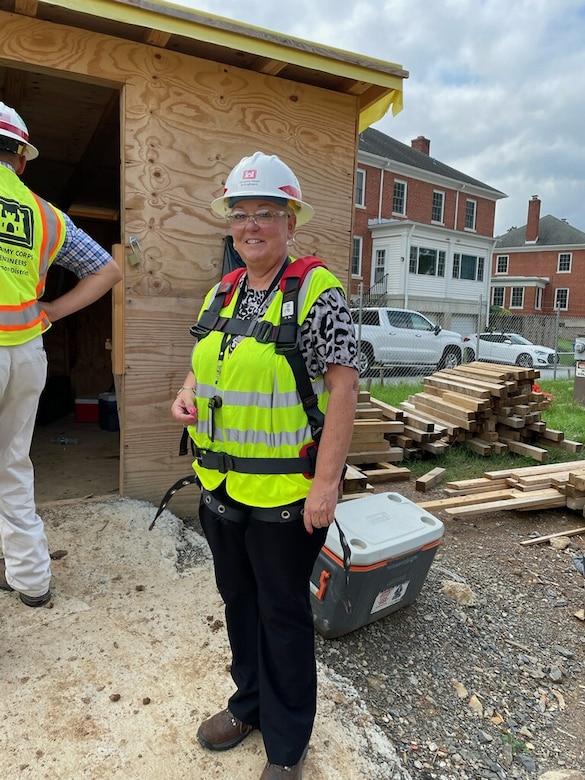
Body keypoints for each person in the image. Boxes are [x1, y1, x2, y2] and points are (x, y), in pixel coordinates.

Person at [171, 151, 359, 779]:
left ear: (290, 221)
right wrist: (188, 392)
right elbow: (208, 363)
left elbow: (344, 390)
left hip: (286, 493)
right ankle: (247, 703)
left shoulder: (316, 291)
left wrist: (326, 485)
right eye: (241, 213)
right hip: (222, 484)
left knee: (281, 614)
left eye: (266, 214)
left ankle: (286, 745)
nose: (251, 225)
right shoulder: (224, 289)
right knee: (239, 602)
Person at [0, 101, 122, 607]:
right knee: (12, 464)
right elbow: (108, 271)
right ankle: (31, 581)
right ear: (23, 160)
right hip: (26, 350)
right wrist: (48, 310)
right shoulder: (46, 215)